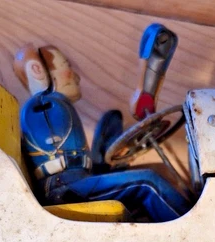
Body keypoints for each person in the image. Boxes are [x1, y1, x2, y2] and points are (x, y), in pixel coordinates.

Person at [14, 44, 191, 222]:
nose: (76, 77)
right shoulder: (43, 106)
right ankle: (192, 226)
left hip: (75, 182)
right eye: (66, 66)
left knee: (111, 123)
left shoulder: (53, 106)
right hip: (65, 189)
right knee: (147, 182)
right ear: (37, 71)